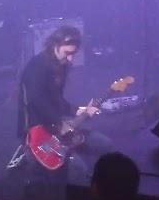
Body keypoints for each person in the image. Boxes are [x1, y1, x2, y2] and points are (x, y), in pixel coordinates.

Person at [17, 26, 112, 185]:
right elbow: (36, 101)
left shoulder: (60, 66)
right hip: (37, 131)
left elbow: (56, 99)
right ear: (55, 45)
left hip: (57, 128)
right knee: (79, 172)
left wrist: (78, 110)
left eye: (73, 54)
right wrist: (60, 123)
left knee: (105, 144)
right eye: (67, 54)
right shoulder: (36, 66)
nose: (70, 59)